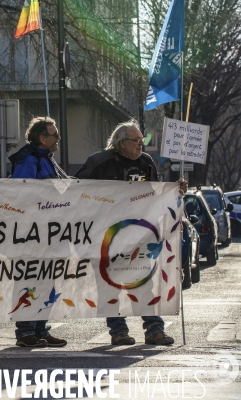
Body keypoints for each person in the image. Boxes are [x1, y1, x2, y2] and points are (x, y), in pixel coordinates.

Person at [75, 119, 187, 346]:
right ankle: (118, 331)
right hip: (104, 237)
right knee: (109, 285)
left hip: (138, 235)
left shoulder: (146, 163)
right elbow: (75, 192)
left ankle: (154, 330)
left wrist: (175, 192)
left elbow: (155, 195)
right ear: (121, 143)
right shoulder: (98, 162)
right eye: (136, 141)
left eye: (141, 141)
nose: (140, 145)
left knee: (144, 282)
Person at [7, 116, 68, 348]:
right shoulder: (28, 159)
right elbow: (22, 194)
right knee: (29, 281)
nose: (58, 139)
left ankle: (41, 329)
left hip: (47, 233)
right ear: (42, 138)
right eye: (55, 135)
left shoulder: (47, 159)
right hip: (31, 234)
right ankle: (25, 332)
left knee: (45, 281)